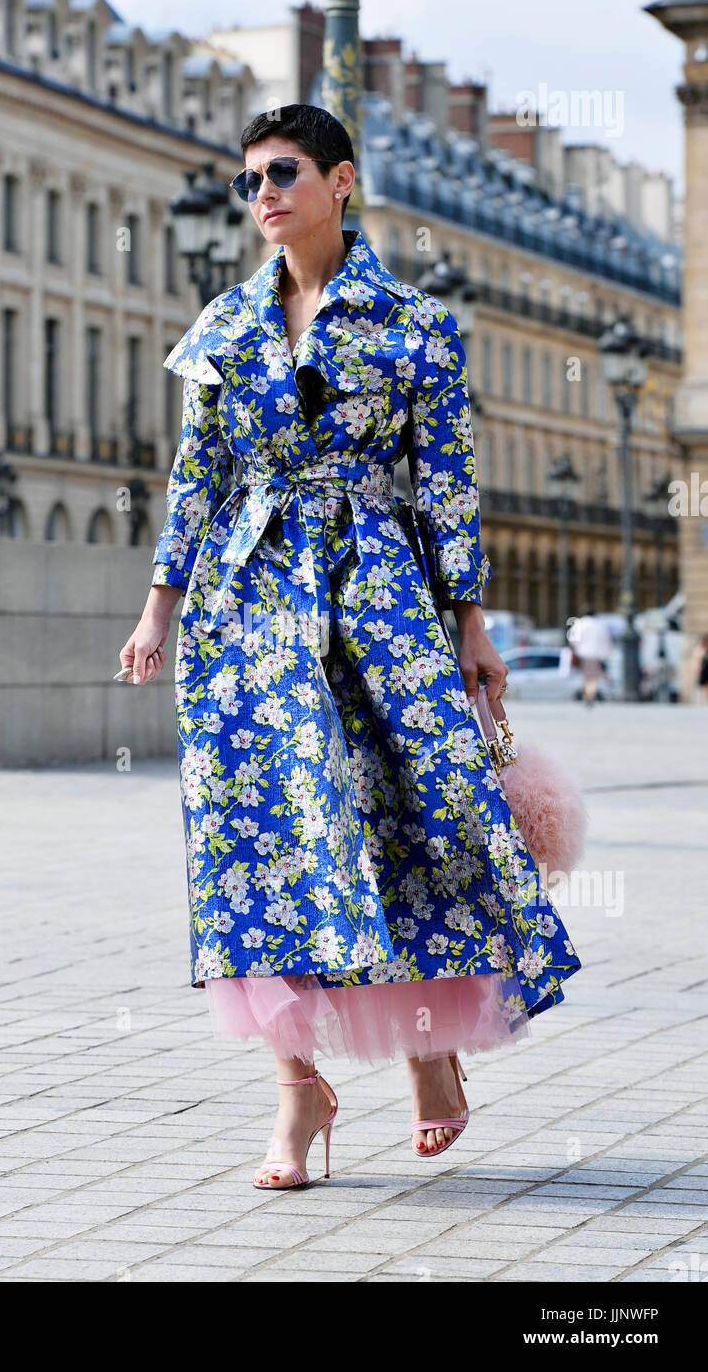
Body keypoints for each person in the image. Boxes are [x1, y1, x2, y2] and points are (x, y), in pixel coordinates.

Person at [118, 104, 582, 1189]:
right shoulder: (226, 326)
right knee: (258, 838)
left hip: (378, 588)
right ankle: (297, 1095)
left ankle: (431, 1049)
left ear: (340, 180)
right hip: (250, 600)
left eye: (283, 172)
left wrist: (469, 623)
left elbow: (447, 482)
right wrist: (158, 605)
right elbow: (198, 478)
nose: (264, 194)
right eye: (248, 182)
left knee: (408, 811)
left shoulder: (413, 323)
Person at [569, 609, 612, 707]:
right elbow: (605, 640)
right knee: (593, 678)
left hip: (582, 653)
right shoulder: (600, 625)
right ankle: (590, 694)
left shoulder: (579, 624)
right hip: (596, 654)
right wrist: (606, 655)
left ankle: (588, 694)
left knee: (586, 677)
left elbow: (573, 641)